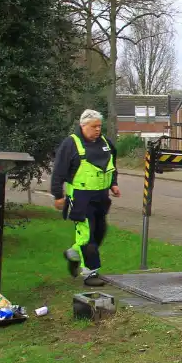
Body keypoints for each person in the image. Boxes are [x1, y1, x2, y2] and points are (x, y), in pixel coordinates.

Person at [50, 109, 120, 286]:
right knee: (87, 237)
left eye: (99, 126)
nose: (97, 130)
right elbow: (58, 171)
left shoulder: (105, 143)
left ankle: (73, 253)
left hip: (101, 198)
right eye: (94, 126)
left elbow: (112, 165)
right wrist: (58, 195)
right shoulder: (71, 144)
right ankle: (90, 273)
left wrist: (113, 183)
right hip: (81, 199)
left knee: (100, 232)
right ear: (83, 126)